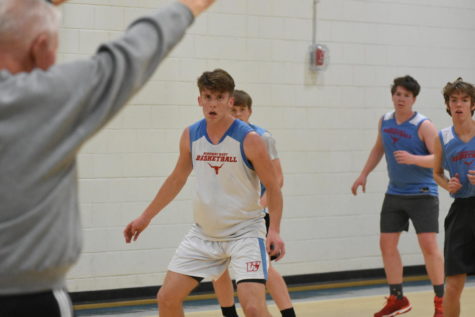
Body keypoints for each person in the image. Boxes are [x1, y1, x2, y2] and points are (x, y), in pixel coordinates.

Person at [0, 0, 215, 316]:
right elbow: (132, 53)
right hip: (28, 298)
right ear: (41, 47)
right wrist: (189, 7)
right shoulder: (44, 97)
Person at [123, 69, 285, 317]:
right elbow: (176, 179)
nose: (213, 104)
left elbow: (274, 187)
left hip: (245, 233)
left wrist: (273, 229)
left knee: (252, 308)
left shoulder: (250, 139)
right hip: (204, 234)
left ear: (230, 101)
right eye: (208, 97)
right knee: (166, 299)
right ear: (199, 100)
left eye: (219, 97)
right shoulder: (191, 134)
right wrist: (145, 217)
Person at [351, 75, 445, 317]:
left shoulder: (423, 125)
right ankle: (397, 298)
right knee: (386, 244)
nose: (401, 99)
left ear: (414, 99)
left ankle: (441, 300)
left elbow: (439, 158)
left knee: (428, 246)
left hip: (423, 194)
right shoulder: (386, 120)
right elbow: (378, 148)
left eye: (406, 95)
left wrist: (414, 159)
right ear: (392, 95)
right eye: (398, 94)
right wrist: (363, 174)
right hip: (395, 193)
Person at [211, 90, 296, 317]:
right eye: (234, 110)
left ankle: (288, 313)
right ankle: (229, 313)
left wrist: (260, 203)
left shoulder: (260, 137)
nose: (238, 115)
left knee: (265, 269)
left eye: (242, 110)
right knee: (218, 266)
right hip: (222, 215)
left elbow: (278, 178)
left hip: (253, 216)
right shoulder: (218, 136)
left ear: (250, 111)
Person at [433, 78, 475, 317]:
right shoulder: (443, 137)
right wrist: (448, 184)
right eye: (454, 100)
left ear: (472, 105)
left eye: (464, 100)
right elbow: (436, 173)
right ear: (448, 105)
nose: (459, 104)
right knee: (453, 285)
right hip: (461, 212)